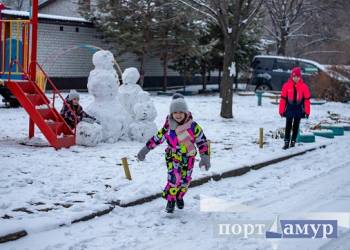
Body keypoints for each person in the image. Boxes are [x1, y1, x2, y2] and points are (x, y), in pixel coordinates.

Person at [137, 94, 210, 213]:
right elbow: (157, 138)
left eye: (181, 112)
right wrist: (145, 150)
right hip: (173, 157)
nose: (178, 115)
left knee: (185, 181)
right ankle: (170, 200)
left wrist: (205, 157)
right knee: (174, 179)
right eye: (175, 112)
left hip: (189, 157)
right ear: (171, 114)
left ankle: (179, 196)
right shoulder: (168, 128)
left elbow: (202, 141)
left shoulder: (193, 126)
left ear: (186, 112)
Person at [279, 67, 311, 150]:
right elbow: (283, 99)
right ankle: (286, 142)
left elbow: (306, 100)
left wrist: (307, 111)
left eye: (297, 76)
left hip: (299, 109)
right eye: (294, 76)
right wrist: (281, 110)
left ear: (300, 77)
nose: (295, 78)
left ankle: (293, 141)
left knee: (296, 125)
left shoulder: (304, 87)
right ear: (291, 76)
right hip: (289, 108)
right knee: (288, 125)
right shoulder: (286, 86)